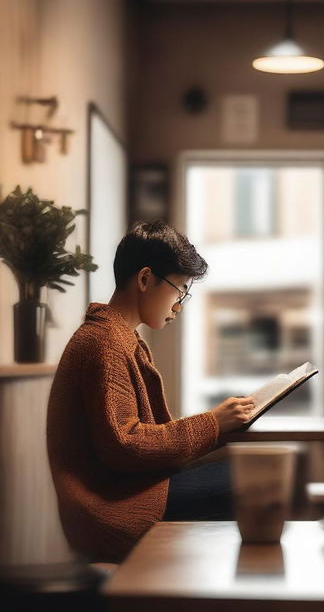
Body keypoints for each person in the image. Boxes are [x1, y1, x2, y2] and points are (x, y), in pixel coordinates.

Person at [46, 220, 254, 562]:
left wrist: (218, 426)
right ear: (145, 279)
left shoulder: (116, 336)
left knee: (246, 470)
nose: (179, 305)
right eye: (179, 290)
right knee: (248, 480)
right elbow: (125, 445)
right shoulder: (104, 343)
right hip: (109, 508)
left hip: (125, 491)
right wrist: (213, 423)